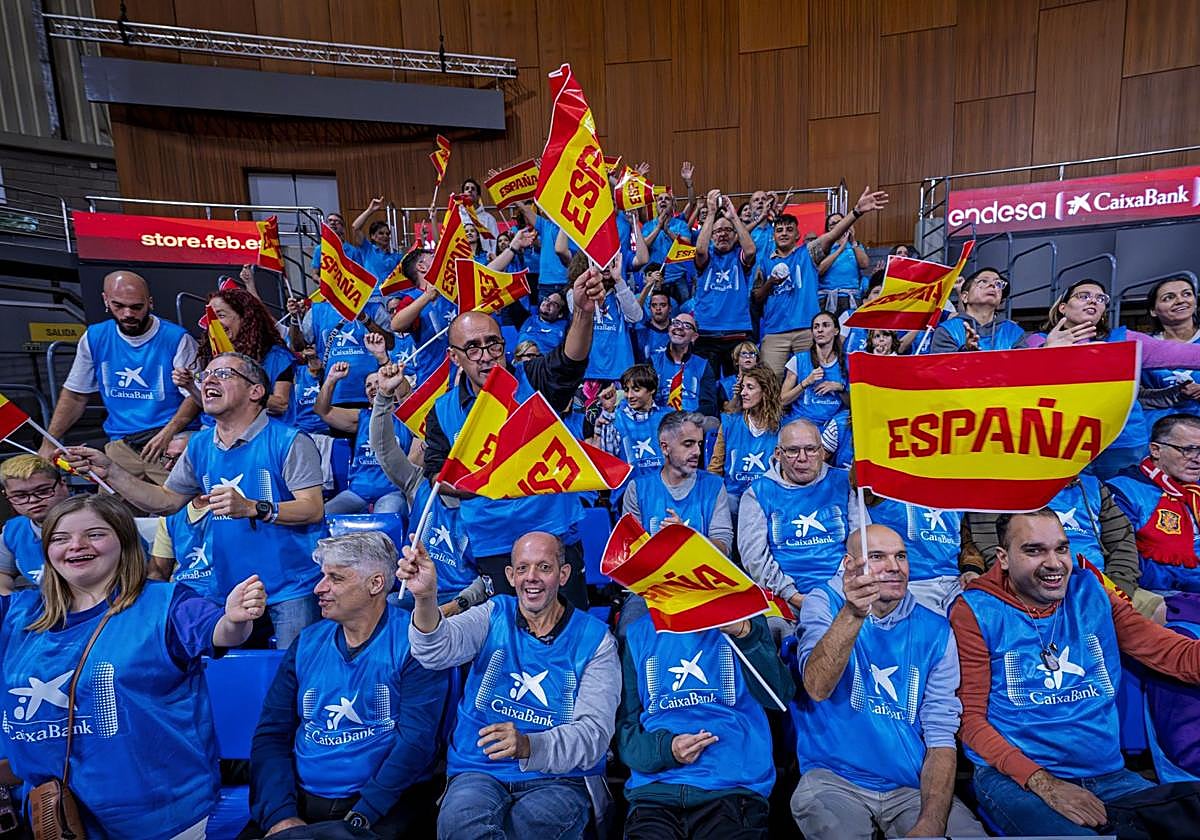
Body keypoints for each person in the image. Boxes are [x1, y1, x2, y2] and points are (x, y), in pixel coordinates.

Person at [0, 494, 265, 839]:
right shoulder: (16, 612)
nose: (76, 546)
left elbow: (222, 632)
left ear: (124, 542)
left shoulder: (166, 603)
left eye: (95, 534)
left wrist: (235, 619)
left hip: (158, 813)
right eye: (60, 538)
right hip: (57, 815)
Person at [951, 509, 1200, 835]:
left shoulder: (1091, 590)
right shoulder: (975, 610)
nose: (1054, 563)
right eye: (1034, 550)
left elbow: (1170, 653)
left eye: (1061, 548)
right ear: (1004, 558)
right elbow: (968, 721)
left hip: (1111, 776)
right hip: (1018, 779)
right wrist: (1044, 782)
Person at [61, 352, 326, 648]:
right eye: (206, 375)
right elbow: (165, 501)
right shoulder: (199, 444)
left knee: (295, 680)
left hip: (292, 588)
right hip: (230, 589)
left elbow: (312, 508)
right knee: (229, 682)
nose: (209, 379)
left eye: (224, 374)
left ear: (256, 391)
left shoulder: (290, 441)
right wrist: (110, 471)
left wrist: (252, 507)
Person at [402, 531, 620, 840]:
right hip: (478, 768)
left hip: (558, 777)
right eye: (522, 568)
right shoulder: (493, 614)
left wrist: (529, 745)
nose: (531, 578)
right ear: (510, 575)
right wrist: (425, 599)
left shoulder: (597, 640)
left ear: (564, 574)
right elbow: (434, 651)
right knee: (461, 828)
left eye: (544, 567)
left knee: (528, 831)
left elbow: (593, 736)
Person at [421, 268, 606, 608]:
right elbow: (435, 475)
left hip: (554, 531)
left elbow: (570, 359)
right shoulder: (442, 411)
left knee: (568, 631)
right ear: (454, 357)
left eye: (493, 344)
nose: (487, 355)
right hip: (495, 543)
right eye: (473, 348)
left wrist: (582, 311)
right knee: (508, 635)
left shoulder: (532, 380)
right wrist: (485, 480)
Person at [246, 532, 449, 837]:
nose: (319, 588)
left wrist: (363, 814)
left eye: (335, 578)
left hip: (383, 804)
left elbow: (416, 744)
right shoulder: (306, 643)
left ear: (376, 584)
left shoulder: (414, 644)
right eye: (322, 576)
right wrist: (280, 815)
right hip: (300, 803)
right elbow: (271, 735)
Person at [790, 525, 984, 838]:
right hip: (833, 779)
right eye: (877, 557)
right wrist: (853, 613)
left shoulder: (936, 629)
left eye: (901, 556)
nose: (894, 566)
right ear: (848, 565)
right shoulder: (823, 601)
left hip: (910, 785)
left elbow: (940, 733)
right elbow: (816, 686)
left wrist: (932, 822)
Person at [618, 610, 793, 839]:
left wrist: (746, 635)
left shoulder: (743, 621)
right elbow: (625, 737)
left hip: (731, 793)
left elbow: (780, 697)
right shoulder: (638, 632)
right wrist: (666, 750)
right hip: (655, 797)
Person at [40, 270, 200, 483]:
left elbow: (195, 396)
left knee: (181, 507)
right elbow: (75, 394)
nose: (127, 314)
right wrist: (49, 441)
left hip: (169, 440)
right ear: (105, 300)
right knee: (110, 511)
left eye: (136, 307)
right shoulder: (95, 337)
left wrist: (168, 433)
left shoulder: (177, 338)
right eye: (119, 306)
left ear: (149, 303)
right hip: (121, 443)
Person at [1031, 278, 1200, 477]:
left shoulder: (1127, 340)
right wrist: (1046, 354)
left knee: (1123, 502)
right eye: (1083, 296)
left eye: (1100, 298)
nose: (1093, 301)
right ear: (1063, 307)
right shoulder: (1037, 342)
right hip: (1060, 443)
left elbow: (1188, 355)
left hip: (1121, 443)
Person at [369, 362, 486, 614]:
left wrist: (456, 606)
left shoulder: (491, 502)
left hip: (463, 602)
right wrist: (384, 395)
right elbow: (384, 449)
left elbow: (489, 578)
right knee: (382, 608)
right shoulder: (419, 484)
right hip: (413, 593)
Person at [968, 473, 1160, 620]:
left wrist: (1118, 589)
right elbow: (992, 549)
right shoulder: (997, 486)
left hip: (1104, 586)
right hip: (1033, 589)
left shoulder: (1090, 485)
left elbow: (1123, 541)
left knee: (1159, 609)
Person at [739, 420, 852, 614]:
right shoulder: (757, 493)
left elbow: (861, 542)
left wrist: (838, 591)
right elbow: (754, 557)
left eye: (811, 449)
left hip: (844, 590)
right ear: (778, 454)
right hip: (783, 597)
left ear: (823, 452)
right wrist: (791, 594)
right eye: (792, 451)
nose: (802, 458)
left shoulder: (845, 483)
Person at [1109, 413, 1200, 594]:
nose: (1197, 459)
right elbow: (1127, 559)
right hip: (1165, 591)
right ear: (1155, 450)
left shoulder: (1195, 489)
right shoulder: (1124, 490)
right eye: (1188, 450)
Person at [623, 411, 732, 552]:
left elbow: (724, 548)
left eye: (699, 444)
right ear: (665, 448)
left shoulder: (715, 486)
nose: (697, 451)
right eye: (688, 444)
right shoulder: (637, 489)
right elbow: (630, 550)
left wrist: (687, 538)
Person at [182, 287, 296, 421]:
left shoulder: (277, 356)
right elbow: (210, 404)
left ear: (245, 318)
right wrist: (190, 386)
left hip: (264, 433)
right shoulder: (215, 356)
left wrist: (243, 392)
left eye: (221, 315)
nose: (214, 324)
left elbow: (281, 404)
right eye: (211, 317)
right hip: (217, 430)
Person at [315, 362, 411, 515]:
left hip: (392, 493)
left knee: (383, 519)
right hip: (357, 493)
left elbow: (407, 396)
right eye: (368, 385)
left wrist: (385, 361)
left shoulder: (406, 417)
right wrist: (331, 379)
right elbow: (323, 411)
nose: (372, 387)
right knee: (323, 515)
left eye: (377, 383)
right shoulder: (362, 417)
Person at [860, 493, 967, 615]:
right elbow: (859, 482)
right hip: (911, 584)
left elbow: (966, 540)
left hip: (956, 582)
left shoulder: (958, 486)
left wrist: (971, 568)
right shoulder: (886, 483)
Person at [692, 190, 758, 375]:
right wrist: (711, 212)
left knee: (738, 387)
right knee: (706, 389)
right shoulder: (707, 258)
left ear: (735, 234)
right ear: (711, 236)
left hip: (737, 331)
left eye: (727, 230)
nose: (722, 235)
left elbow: (751, 250)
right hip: (706, 332)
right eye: (717, 231)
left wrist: (734, 217)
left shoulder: (739, 256)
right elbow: (700, 249)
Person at [708, 364, 781, 515]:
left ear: (765, 391)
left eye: (750, 387)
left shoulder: (783, 427)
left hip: (768, 495)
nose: (743, 393)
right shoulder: (729, 422)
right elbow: (715, 467)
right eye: (742, 387)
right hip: (734, 495)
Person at [754, 213, 821, 375]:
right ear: (774, 236)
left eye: (789, 230)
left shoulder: (808, 253)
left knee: (810, 379)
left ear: (797, 235)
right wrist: (770, 282)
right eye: (779, 230)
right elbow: (756, 297)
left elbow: (832, 236)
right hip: (774, 332)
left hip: (806, 329)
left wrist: (856, 212)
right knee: (769, 382)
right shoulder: (764, 262)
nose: (784, 233)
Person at [562, 249, 641, 383]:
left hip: (619, 371)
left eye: (611, 261)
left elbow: (636, 316)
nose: (606, 265)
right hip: (587, 371)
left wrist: (619, 280)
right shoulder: (574, 293)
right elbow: (577, 310)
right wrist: (592, 277)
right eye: (601, 261)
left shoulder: (620, 293)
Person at [0, 455, 71, 591]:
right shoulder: (13, 530)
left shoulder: (96, 517)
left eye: (43, 491)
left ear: (63, 484)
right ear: (7, 495)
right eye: (20, 496)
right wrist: (11, 601)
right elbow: (2, 573)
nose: (33, 500)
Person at [1140, 276, 1200, 427]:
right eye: (1169, 298)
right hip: (1158, 429)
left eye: (1187, 294)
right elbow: (1136, 397)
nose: (1180, 300)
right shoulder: (1143, 347)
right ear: (1153, 311)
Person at [597, 364, 672, 478]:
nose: (630, 395)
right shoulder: (615, 417)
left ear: (652, 389)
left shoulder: (668, 417)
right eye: (626, 390)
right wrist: (609, 411)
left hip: (663, 489)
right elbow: (608, 461)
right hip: (627, 491)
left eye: (636, 390)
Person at [929, 267, 1026, 353]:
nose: (992, 285)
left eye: (998, 283)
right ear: (965, 297)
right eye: (983, 281)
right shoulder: (947, 330)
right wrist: (966, 351)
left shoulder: (1014, 332)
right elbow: (942, 370)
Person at [640, 164, 697, 303]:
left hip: (678, 278)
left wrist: (667, 231)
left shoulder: (681, 225)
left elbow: (685, 244)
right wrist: (658, 228)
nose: (663, 201)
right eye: (660, 199)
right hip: (655, 278)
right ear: (656, 205)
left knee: (683, 313)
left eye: (667, 199)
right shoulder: (648, 226)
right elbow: (644, 245)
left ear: (673, 205)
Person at [780, 311, 847, 428]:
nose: (820, 330)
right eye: (816, 327)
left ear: (836, 331)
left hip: (833, 427)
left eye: (825, 325)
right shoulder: (798, 360)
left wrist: (839, 387)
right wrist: (806, 382)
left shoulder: (848, 362)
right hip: (801, 423)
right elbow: (782, 400)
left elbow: (855, 405)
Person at [650, 312, 718, 418]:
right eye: (676, 323)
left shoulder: (703, 365)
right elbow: (646, 396)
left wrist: (689, 419)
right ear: (669, 329)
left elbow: (708, 404)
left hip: (691, 421)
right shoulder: (653, 361)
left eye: (687, 326)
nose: (680, 327)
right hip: (660, 420)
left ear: (694, 337)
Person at [816, 211, 871, 316]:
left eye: (840, 222)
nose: (837, 225)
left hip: (851, 297)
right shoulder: (823, 246)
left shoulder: (854, 246)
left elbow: (864, 264)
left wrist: (853, 241)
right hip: (827, 297)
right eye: (833, 224)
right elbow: (820, 270)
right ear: (828, 229)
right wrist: (840, 249)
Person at [516, 291, 569, 356]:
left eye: (553, 304)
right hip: (521, 361)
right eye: (547, 299)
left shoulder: (566, 327)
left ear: (560, 314)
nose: (547, 303)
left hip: (545, 363)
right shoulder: (527, 319)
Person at [459, 178, 501, 256]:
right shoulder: (457, 217)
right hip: (462, 261)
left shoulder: (489, 219)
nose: (470, 190)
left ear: (478, 196)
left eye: (473, 189)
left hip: (484, 264)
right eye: (467, 188)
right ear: (462, 195)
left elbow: (495, 244)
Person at [634, 284, 673, 362]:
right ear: (649, 308)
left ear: (670, 309)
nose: (658, 308)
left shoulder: (677, 332)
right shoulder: (640, 332)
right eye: (654, 305)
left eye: (663, 305)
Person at [716, 341, 760, 407]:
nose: (748, 356)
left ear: (756, 361)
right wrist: (736, 396)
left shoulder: (764, 381)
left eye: (752, 353)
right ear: (736, 360)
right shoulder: (726, 384)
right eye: (744, 353)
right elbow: (727, 411)